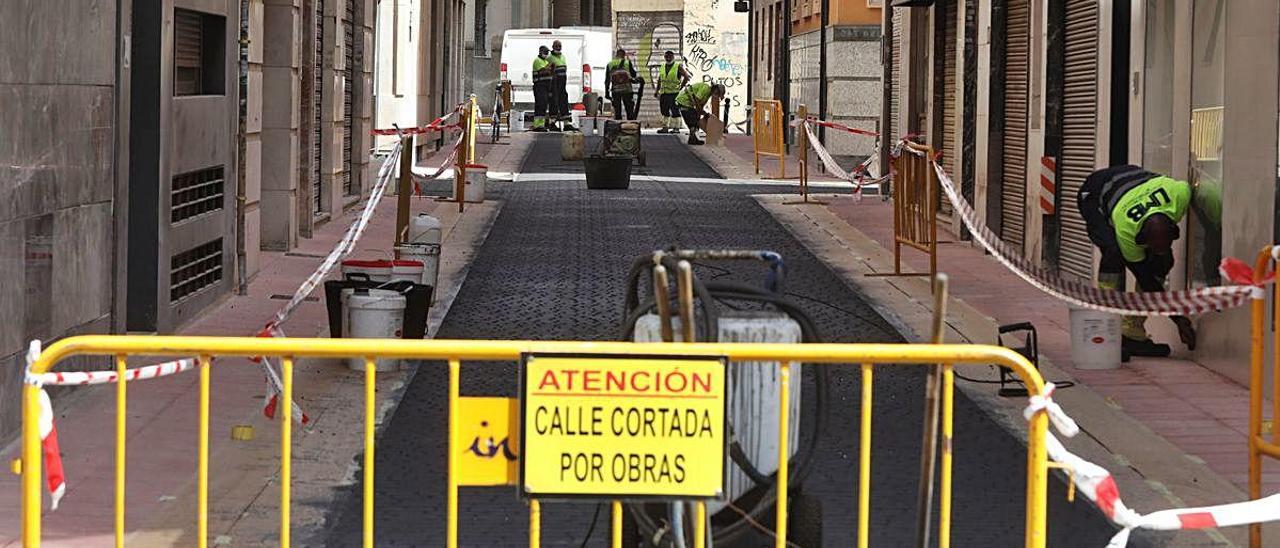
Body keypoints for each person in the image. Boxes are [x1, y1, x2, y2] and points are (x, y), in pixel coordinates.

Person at [1078, 164, 1205, 360]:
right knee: (1114, 255)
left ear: (1174, 230)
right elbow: (1145, 278)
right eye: (1152, 246)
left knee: (1162, 262)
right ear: (1141, 238)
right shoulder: (1126, 229)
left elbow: (1203, 191)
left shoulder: (1179, 194)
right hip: (1094, 191)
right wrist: (1178, 319)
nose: (1157, 249)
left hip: (1136, 180)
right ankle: (1106, 332)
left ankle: (1132, 333)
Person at [655, 50, 690, 134]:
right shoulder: (662, 66)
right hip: (664, 93)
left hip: (674, 93)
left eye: (670, 56)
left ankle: (676, 128)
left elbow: (686, 77)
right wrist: (657, 90)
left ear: (673, 57)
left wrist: (680, 87)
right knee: (664, 111)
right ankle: (665, 127)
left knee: (675, 111)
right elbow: (660, 79)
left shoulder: (677, 66)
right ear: (664, 57)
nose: (668, 58)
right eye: (666, 56)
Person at [606, 48, 640, 121]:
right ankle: (630, 128)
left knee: (617, 111)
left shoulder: (610, 64)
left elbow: (607, 80)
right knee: (629, 110)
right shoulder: (627, 62)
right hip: (627, 90)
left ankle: (618, 127)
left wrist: (607, 93)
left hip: (615, 91)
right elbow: (633, 75)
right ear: (624, 55)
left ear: (616, 55)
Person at [548, 40, 572, 131]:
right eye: (556, 46)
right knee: (554, 103)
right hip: (554, 83)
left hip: (562, 83)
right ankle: (552, 123)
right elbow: (549, 72)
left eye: (560, 46)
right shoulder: (549, 58)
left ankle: (566, 123)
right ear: (553, 46)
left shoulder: (562, 57)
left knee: (564, 102)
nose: (558, 48)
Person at [531, 46, 554, 132]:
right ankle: (538, 125)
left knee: (543, 106)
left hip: (545, 86)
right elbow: (543, 71)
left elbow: (550, 72)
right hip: (539, 86)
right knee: (540, 105)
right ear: (540, 52)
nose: (547, 54)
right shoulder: (537, 61)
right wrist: (550, 65)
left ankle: (541, 124)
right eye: (545, 52)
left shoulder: (545, 61)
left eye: (547, 52)